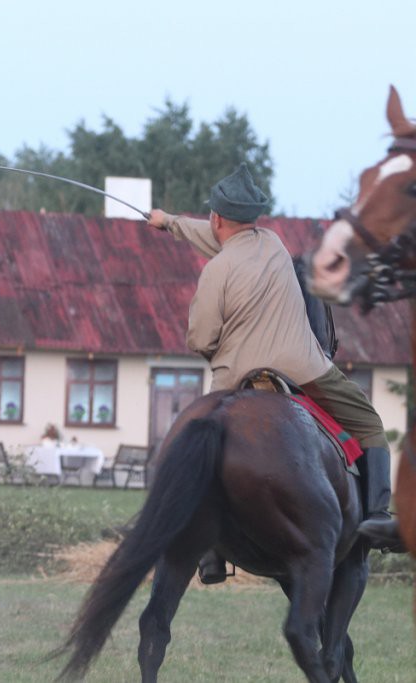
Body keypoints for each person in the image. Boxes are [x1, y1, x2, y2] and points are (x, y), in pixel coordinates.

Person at [147, 163, 403, 582]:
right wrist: (171, 224)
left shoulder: (217, 270)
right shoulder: (274, 246)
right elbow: (216, 238)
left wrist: (214, 346)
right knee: (369, 422)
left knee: (199, 444)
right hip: (305, 369)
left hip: (234, 377)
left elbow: (200, 339)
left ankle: (208, 549)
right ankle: (376, 517)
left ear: (216, 218)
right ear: (254, 217)